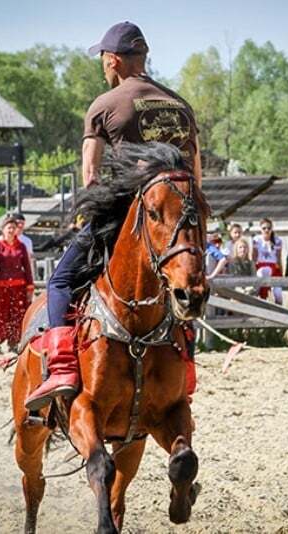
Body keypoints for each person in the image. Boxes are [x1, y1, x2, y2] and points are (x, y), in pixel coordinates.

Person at [25, 21, 203, 411]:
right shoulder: (180, 105)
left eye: (104, 61)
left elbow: (90, 174)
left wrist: (95, 212)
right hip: (178, 221)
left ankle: (61, 369)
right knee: (182, 286)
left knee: (60, 281)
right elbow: (196, 173)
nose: (104, 68)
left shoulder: (105, 105)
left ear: (113, 60)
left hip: (128, 217)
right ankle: (184, 363)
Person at [0, 216, 34, 354]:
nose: (11, 230)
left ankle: (13, 343)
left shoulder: (21, 246)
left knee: (17, 315)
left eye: (13, 228)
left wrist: (30, 287)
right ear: (3, 230)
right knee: (0, 315)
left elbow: (27, 267)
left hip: (19, 287)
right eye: (9, 227)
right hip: (2, 288)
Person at [253, 218, 284, 304]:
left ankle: (279, 310)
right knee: (261, 275)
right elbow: (254, 256)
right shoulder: (256, 240)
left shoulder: (277, 240)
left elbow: (279, 257)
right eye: (264, 228)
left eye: (269, 228)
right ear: (260, 229)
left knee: (278, 293)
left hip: (273, 267)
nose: (266, 230)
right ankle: (258, 299)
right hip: (260, 266)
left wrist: (281, 272)